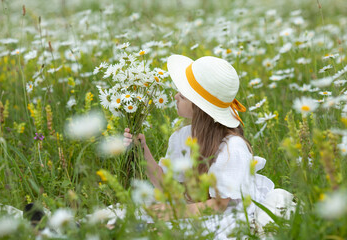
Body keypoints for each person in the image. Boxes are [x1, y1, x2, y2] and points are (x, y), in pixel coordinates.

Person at [124, 55, 295, 238]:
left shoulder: (232, 148)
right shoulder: (181, 137)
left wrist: (172, 212)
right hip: (194, 206)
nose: (175, 96)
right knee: (128, 221)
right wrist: (142, 151)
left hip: (226, 214)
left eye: (182, 95)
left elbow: (219, 205)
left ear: (199, 107)